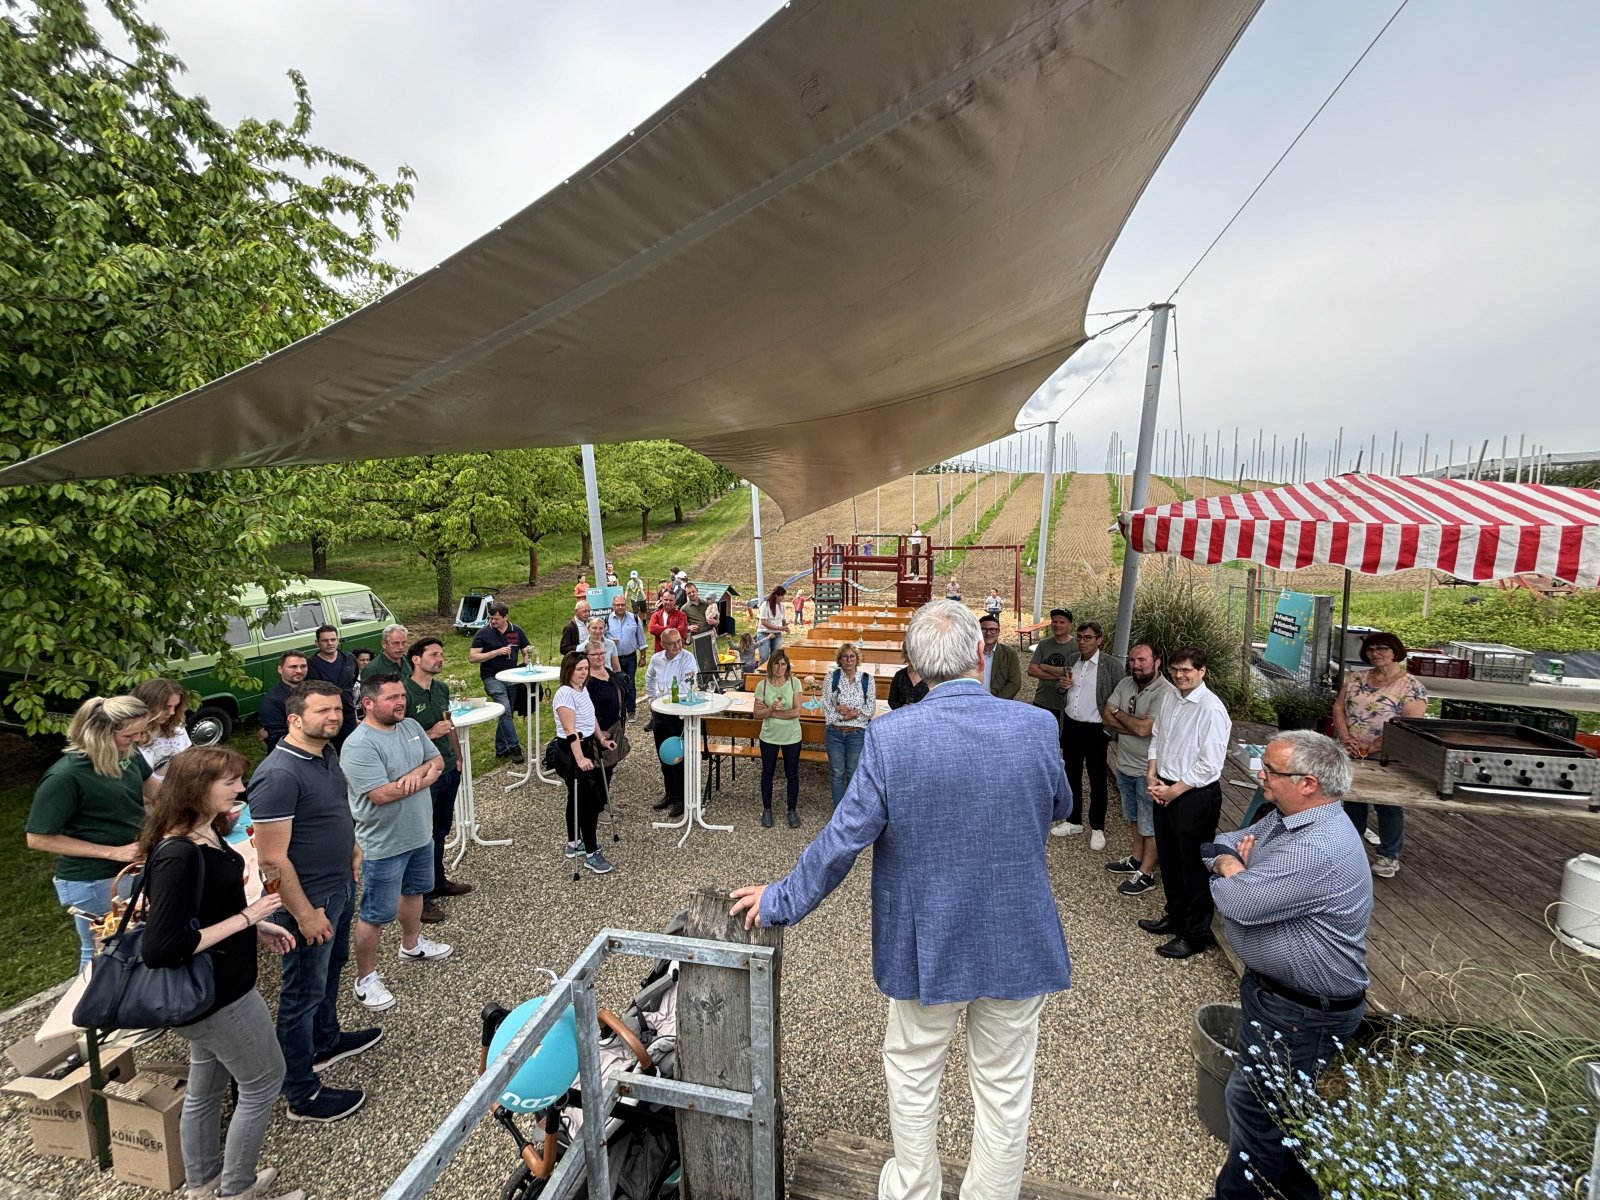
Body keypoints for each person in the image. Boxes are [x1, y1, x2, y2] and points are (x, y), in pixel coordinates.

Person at [730, 601, 1072, 1200]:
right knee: (1005, 1086)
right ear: (977, 656)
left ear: (914, 666)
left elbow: (843, 840)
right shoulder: (1036, 728)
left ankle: (913, 1186)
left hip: (927, 942)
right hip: (1017, 935)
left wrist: (782, 898)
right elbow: (1060, 806)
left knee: (914, 1073)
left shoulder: (891, 737)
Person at [1206, 731, 1372, 1200]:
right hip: (1277, 996)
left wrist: (1235, 869)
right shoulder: (1287, 819)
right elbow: (1221, 842)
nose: (1259, 775)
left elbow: (1239, 902)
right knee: (1281, 1110)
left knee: (1255, 1109)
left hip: (1303, 1011)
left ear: (1308, 783)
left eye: (1271, 771)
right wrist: (1233, 860)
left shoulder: (1318, 846)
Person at [138, 747, 303, 1200]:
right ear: (196, 789)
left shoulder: (206, 833)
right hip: (215, 995)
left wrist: (258, 925)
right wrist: (249, 918)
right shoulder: (178, 853)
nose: (241, 789)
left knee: (205, 1087)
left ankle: (203, 1182)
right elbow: (163, 946)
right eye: (229, 783)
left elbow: (208, 911)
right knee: (264, 1080)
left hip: (217, 986)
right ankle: (237, 1190)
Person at [249, 681, 374, 1124]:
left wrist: (353, 847)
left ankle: (326, 1039)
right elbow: (271, 858)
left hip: (338, 884)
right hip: (309, 900)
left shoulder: (325, 754)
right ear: (295, 719)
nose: (334, 717)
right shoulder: (279, 774)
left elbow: (336, 811)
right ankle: (301, 1091)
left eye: (338, 709)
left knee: (331, 968)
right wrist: (303, 914)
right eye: (323, 711)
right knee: (300, 993)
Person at [341, 674, 449, 1013]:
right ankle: (365, 979)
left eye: (401, 695)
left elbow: (439, 762)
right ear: (368, 703)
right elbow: (381, 794)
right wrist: (423, 777)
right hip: (383, 843)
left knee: (415, 892)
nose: (400, 702)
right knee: (375, 913)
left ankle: (412, 944)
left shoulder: (412, 727)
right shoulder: (359, 745)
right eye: (391, 698)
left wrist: (416, 776)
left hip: (419, 833)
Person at [25, 695, 158, 967]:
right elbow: (37, 838)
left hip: (129, 869)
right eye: (130, 734)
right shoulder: (65, 776)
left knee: (135, 943)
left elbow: (154, 790)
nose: (138, 739)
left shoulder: (127, 755)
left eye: (141, 732)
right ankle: (91, 1007)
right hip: (92, 880)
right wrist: (113, 851)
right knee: (104, 951)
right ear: (100, 734)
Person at [1142, 646, 1231, 960]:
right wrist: (1152, 775)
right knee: (1169, 859)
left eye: (1186, 670)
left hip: (1192, 796)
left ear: (1202, 670)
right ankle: (1175, 916)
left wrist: (1173, 791)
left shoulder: (1212, 709)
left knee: (1193, 866)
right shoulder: (1170, 698)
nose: (1179, 675)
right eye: (1176, 670)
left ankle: (1195, 934)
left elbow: (1210, 765)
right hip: (1164, 787)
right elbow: (1158, 738)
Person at [1331, 631, 1427, 879]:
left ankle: (1388, 855)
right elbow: (1339, 706)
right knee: (1352, 801)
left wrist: (1372, 747)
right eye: (1372, 649)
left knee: (1389, 805)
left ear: (1396, 652)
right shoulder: (1356, 678)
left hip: (1388, 754)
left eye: (1383, 649)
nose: (1377, 653)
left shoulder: (1411, 686)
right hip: (1351, 750)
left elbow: (1410, 725)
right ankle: (1351, 852)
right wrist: (1345, 738)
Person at [1101, 644, 1177, 896]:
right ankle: (1136, 857)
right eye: (1132, 659)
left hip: (1150, 771)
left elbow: (1145, 730)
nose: (1136, 665)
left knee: (1150, 822)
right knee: (1133, 817)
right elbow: (1106, 715)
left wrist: (1121, 715)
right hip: (1124, 764)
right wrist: (1133, 722)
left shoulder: (1166, 693)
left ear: (1157, 662)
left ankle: (1146, 873)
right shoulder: (1126, 684)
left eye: (1142, 660)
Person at [404, 637, 472, 915]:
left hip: (446, 768)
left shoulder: (441, 688)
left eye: (441, 654)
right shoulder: (404, 693)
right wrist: (429, 734)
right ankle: (418, 898)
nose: (440, 659)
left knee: (440, 830)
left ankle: (437, 881)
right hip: (422, 773)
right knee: (421, 835)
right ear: (416, 660)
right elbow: (399, 734)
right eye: (434, 654)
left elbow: (449, 723)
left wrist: (457, 756)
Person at [1051, 621, 1124, 848]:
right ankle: (1074, 820)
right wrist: (1062, 686)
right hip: (1072, 726)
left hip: (1096, 729)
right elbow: (1062, 691)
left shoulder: (1110, 665)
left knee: (1097, 779)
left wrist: (1108, 730)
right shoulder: (1072, 659)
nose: (1083, 642)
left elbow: (1120, 697)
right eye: (1080, 637)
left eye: (1088, 638)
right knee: (1071, 774)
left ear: (1099, 640)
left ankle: (1097, 826)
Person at [554, 651, 617, 875]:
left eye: (585, 669)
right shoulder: (564, 694)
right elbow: (570, 731)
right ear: (568, 670)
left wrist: (601, 739)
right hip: (571, 751)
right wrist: (580, 758)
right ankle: (591, 854)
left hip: (588, 744)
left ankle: (574, 843)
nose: (583, 673)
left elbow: (591, 717)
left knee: (576, 797)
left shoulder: (582, 689)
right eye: (579, 669)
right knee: (590, 801)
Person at [644, 629, 698, 818]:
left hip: (678, 714)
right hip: (660, 713)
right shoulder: (657, 659)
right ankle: (670, 793)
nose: (678, 646)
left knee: (678, 757)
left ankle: (682, 798)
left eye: (679, 641)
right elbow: (649, 678)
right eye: (673, 643)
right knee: (663, 755)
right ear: (663, 644)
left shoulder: (687, 658)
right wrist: (652, 699)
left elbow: (687, 684)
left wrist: (665, 696)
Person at [469, 601, 529, 765]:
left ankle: (501, 749)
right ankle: (514, 748)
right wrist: (495, 652)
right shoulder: (483, 633)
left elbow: (526, 648)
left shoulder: (516, 630)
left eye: (496, 619)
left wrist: (526, 659)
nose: (492, 622)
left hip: (512, 677)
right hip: (492, 678)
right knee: (505, 709)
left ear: (505, 617)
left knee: (505, 713)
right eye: (491, 618)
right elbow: (472, 657)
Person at [754, 650, 806, 828]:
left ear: (788, 666)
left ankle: (791, 810)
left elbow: (797, 712)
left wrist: (771, 711)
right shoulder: (763, 685)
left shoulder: (794, 682)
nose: (780, 667)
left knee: (792, 774)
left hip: (791, 736)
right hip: (769, 736)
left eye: (783, 664)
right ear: (770, 665)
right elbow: (757, 714)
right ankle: (767, 809)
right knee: (767, 773)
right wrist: (768, 711)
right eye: (776, 663)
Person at [820, 644, 872, 808]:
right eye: (845, 657)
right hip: (835, 733)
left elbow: (870, 708)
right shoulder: (831, 678)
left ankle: (851, 809)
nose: (849, 660)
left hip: (856, 734)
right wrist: (846, 715)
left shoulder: (867, 679)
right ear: (840, 660)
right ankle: (838, 809)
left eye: (852, 656)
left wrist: (850, 714)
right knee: (837, 773)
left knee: (853, 773)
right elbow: (827, 709)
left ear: (857, 659)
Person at [305, 624, 359, 747]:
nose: (330, 643)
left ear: (338, 640)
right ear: (317, 643)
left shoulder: (349, 659)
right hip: (323, 716)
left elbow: (352, 680)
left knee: (349, 748)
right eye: (325, 640)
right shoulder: (310, 665)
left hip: (347, 714)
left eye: (333, 639)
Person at [133, 677, 192, 782]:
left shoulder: (176, 726)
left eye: (175, 706)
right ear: (149, 705)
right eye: (167, 707)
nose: (172, 712)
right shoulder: (131, 734)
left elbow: (187, 760)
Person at [605, 594, 648, 719]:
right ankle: (618, 709)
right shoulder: (607, 619)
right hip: (614, 658)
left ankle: (631, 710)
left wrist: (643, 656)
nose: (620, 607)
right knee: (615, 683)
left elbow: (641, 638)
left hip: (630, 657)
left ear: (626, 605)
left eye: (622, 604)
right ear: (613, 606)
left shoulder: (634, 618)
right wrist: (610, 640)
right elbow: (603, 638)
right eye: (617, 605)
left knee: (630, 683)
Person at [258, 650, 309, 753]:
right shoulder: (272, 701)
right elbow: (278, 739)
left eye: (303, 666)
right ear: (280, 669)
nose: (299, 670)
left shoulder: (312, 691)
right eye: (293, 667)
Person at [977, 613, 1021, 700]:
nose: (988, 633)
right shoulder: (969, 653)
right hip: (974, 702)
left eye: (993, 629)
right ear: (977, 631)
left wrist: (996, 701)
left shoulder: (1010, 654)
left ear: (998, 632)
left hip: (999, 702)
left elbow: (1015, 683)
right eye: (984, 629)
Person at [756, 585, 789, 666]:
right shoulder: (765, 605)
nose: (783, 598)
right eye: (782, 596)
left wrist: (785, 627)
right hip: (764, 633)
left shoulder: (782, 606)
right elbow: (764, 622)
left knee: (775, 657)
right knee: (764, 657)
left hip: (777, 634)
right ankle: (761, 674)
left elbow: (783, 620)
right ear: (776, 595)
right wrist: (778, 627)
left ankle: (773, 675)